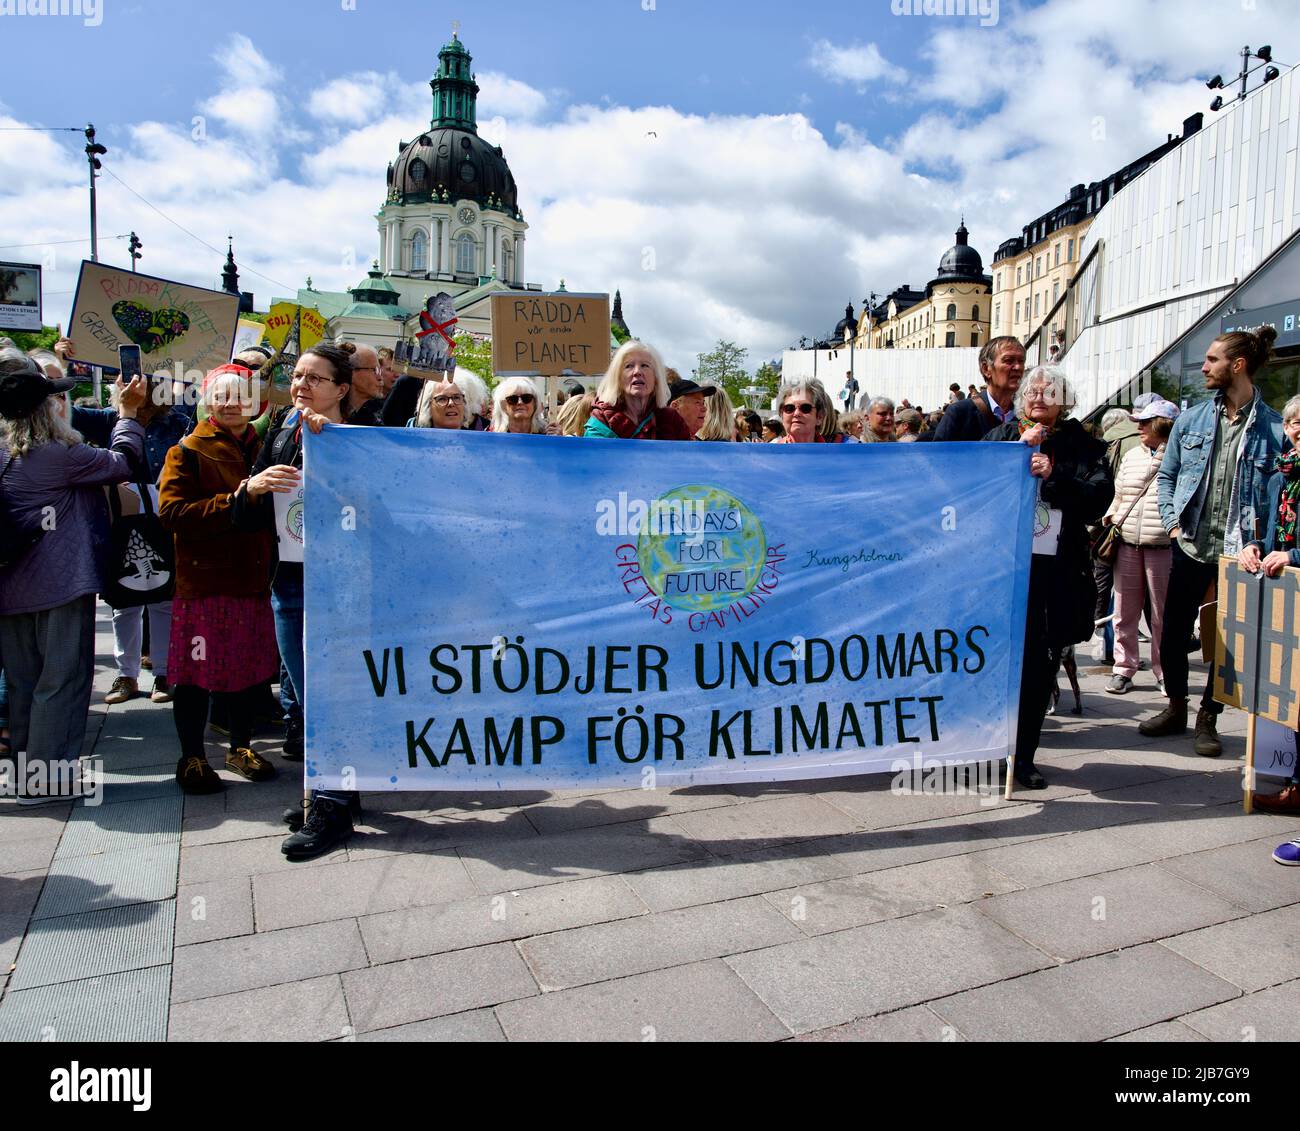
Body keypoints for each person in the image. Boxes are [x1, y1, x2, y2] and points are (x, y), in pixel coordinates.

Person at [233, 342, 365, 857]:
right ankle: (333, 792)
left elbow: (378, 510)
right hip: (289, 581)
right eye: (297, 376)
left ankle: (329, 808)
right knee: (309, 695)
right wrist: (254, 487)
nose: (301, 385)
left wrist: (335, 460)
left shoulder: (357, 438)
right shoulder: (283, 432)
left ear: (340, 389)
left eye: (314, 378)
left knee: (330, 694)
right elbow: (245, 515)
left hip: (342, 586)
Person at [0, 354, 147, 803]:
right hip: (60, 584)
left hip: (10, 587)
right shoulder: (58, 454)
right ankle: (47, 781)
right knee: (62, 680)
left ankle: (25, 773)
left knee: (25, 682)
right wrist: (127, 414)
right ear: (48, 409)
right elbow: (124, 462)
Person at [1139, 326, 1285, 756]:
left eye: (1212, 360)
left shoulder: (1273, 429)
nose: (1204, 367)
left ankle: (1209, 716)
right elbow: (1167, 476)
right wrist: (1170, 524)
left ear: (1236, 366)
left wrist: (1265, 543)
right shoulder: (1192, 418)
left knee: (1226, 639)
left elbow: (1278, 498)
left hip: (1241, 552)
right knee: (1171, 633)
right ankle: (1176, 707)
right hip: (1190, 543)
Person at [983, 365, 1113, 788]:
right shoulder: (1002, 438)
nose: (1040, 397)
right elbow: (972, 487)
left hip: (1054, 572)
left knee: (1040, 666)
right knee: (994, 660)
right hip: (1002, 568)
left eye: (1050, 392)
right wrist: (1012, 460)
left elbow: (1098, 497)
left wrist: (1053, 475)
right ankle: (986, 748)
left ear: (1064, 400)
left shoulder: (1083, 445)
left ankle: (1024, 757)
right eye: (1033, 391)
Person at [156, 365, 278, 794]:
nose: (231, 404)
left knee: (247, 670)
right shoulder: (186, 450)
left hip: (253, 581)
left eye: (240, 395)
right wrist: (235, 499)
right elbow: (171, 514)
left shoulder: (264, 447)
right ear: (208, 400)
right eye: (221, 395)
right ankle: (191, 756)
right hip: (205, 585)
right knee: (194, 674)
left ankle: (240, 747)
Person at [1239, 395, 1300, 833]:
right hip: (1285, 596)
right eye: (1295, 423)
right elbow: (1261, 520)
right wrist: (1252, 544)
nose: (1297, 430)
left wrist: (1293, 553)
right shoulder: (1283, 473)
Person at [1102, 399, 1178, 694]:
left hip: (1162, 545)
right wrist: (1113, 516)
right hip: (1128, 543)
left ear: (1163, 425)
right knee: (1124, 612)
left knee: (1162, 614)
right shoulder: (1132, 455)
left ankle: (1164, 670)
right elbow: (1120, 493)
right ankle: (1123, 668)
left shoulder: (1179, 456)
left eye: (1146, 422)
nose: (1139, 426)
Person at [583, 341, 691, 440]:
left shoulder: (672, 419)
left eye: (645, 365)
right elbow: (594, 458)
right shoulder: (601, 419)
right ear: (617, 378)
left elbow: (687, 458)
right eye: (629, 366)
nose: (637, 372)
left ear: (656, 378)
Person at [935, 338, 1025, 441]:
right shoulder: (960, 413)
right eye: (1008, 361)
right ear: (986, 369)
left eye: (1021, 361)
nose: (1018, 367)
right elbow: (939, 455)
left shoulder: (1026, 416)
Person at [774, 379, 836, 443]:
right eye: (789, 408)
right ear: (782, 415)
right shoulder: (770, 451)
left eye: (805, 408)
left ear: (819, 417)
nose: (796, 413)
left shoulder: (834, 452)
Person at [342, 342, 385, 425]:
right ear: (351, 373)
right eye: (374, 370)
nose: (380, 378)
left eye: (379, 370)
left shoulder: (372, 418)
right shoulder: (326, 417)